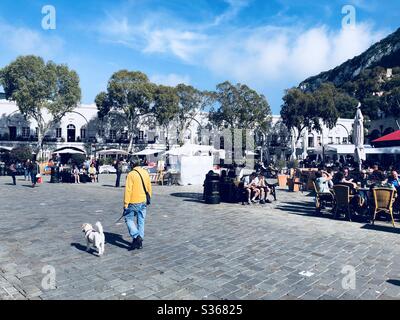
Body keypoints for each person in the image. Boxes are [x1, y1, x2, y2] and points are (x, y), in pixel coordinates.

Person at [123, 160, 152, 250]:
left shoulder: (131, 174)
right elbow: (149, 187)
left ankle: (136, 236)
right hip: (143, 200)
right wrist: (148, 198)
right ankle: (140, 241)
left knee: (128, 219)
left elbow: (128, 190)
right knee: (141, 221)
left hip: (133, 201)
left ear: (132, 165)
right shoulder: (145, 172)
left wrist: (126, 203)